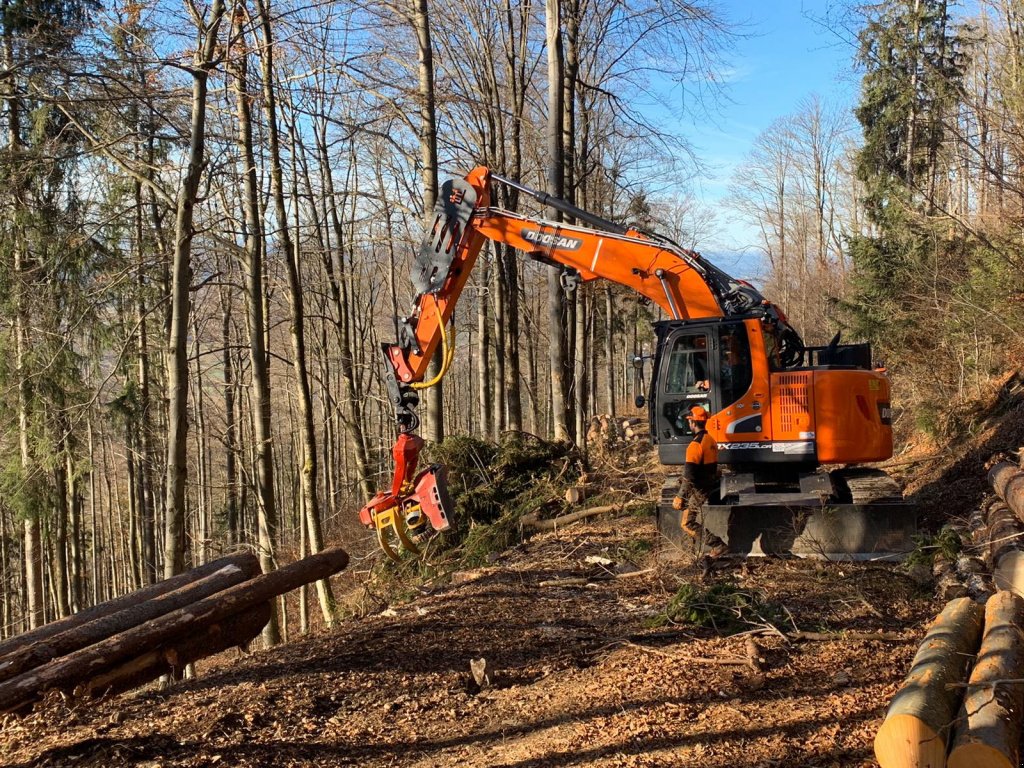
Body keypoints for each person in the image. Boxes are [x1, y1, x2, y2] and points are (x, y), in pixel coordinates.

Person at [672, 405, 728, 560]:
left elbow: (689, 476)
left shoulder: (695, 445)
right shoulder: (711, 440)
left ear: (692, 423)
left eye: (689, 421)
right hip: (707, 485)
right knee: (688, 517)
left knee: (687, 523)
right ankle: (694, 550)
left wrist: (680, 497)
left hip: (698, 489)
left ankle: (717, 545)